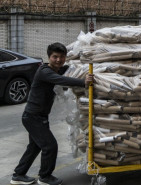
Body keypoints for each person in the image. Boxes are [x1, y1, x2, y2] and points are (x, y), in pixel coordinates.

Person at [11, 43, 93, 185]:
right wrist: (83, 82)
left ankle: (18, 175)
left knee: (34, 147)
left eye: (62, 57)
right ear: (49, 57)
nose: (58, 60)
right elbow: (61, 80)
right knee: (50, 146)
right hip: (33, 117)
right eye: (55, 57)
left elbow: (67, 70)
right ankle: (45, 177)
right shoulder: (45, 71)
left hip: (38, 116)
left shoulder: (57, 70)